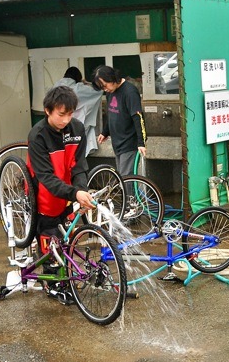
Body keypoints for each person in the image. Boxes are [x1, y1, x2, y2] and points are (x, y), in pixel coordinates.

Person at [27, 85, 95, 270]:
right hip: (45, 198)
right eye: (61, 114)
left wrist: (81, 190)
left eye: (70, 114)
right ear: (47, 111)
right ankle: (52, 283)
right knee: (50, 248)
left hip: (67, 196)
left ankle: (68, 279)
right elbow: (46, 178)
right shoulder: (37, 136)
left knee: (68, 242)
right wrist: (75, 193)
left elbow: (79, 166)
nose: (66, 120)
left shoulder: (77, 128)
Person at [93, 65, 147, 210]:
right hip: (117, 142)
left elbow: (138, 117)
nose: (105, 89)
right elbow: (111, 114)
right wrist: (105, 132)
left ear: (113, 78)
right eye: (102, 87)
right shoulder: (111, 92)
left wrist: (141, 142)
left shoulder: (129, 92)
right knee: (124, 177)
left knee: (126, 178)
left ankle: (131, 209)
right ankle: (129, 208)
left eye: (105, 85)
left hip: (129, 142)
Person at [54, 66, 102, 155]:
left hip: (57, 124)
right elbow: (97, 91)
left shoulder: (56, 87)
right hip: (75, 124)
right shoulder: (77, 88)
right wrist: (86, 84)